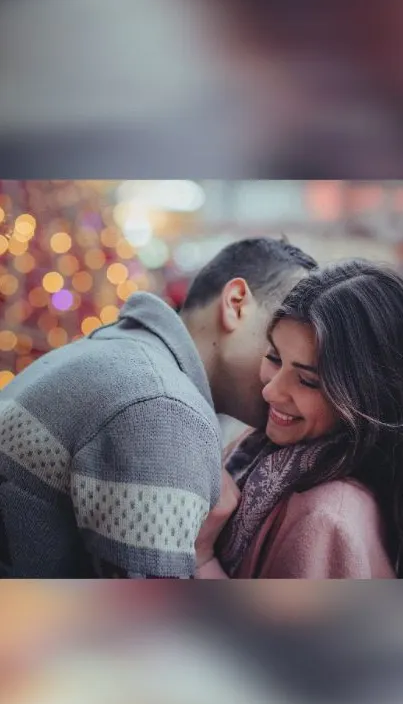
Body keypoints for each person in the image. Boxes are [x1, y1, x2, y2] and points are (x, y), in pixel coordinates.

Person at [0, 236, 316, 577]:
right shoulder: (163, 408)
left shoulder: (123, 355)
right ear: (236, 303)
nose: (292, 372)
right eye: (280, 345)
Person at [196, 260, 403, 579]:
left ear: (367, 395)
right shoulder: (261, 449)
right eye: (275, 358)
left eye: (308, 381)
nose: (271, 392)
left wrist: (201, 556)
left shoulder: (329, 518)